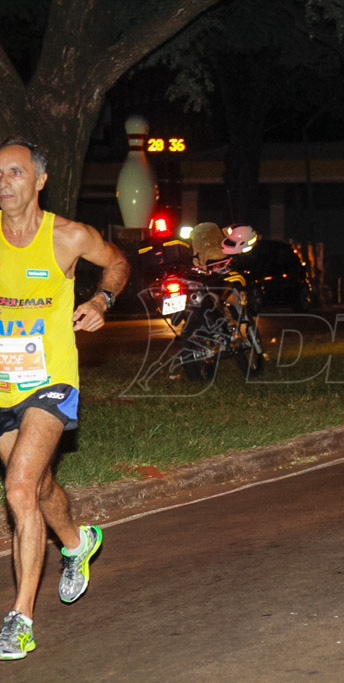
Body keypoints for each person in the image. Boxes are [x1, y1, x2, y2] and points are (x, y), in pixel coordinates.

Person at [0, 136, 128, 660]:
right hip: (3, 385)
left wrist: (102, 298)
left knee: (18, 488)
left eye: (14, 172)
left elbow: (117, 263)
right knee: (39, 486)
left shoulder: (68, 237)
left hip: (52, 381)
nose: (3, 182)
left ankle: (20, 618)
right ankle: (78, 543)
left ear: (40, 180)